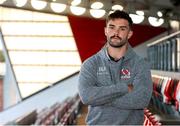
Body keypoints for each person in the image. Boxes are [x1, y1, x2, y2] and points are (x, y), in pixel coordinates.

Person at [78, 10, 153, 125]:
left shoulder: (140, 64)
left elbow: (142, 99)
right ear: (105, 31)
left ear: (129, 34)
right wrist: (124, 88)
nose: (116, 32)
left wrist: (100, 98)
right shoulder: (90, 64)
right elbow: (87, 96)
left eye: (122, 29)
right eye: (112, 27)